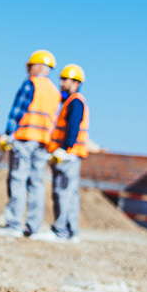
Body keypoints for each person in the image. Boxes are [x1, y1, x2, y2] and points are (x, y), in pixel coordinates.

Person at [0, 50, 62, 238]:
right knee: (36, 184)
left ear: (38, 66)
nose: (28, 70)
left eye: (30, 66)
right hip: (43, 143)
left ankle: (14, 224)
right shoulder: (55, 92)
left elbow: (18, 110)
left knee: (18, 179)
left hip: (24, 138)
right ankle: (33, 226)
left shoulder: (31, 84)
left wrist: (9, 133)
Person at [31, 64, 89, 243]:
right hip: (71, 155)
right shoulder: (70, 101)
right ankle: (71, 232)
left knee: (62, 193)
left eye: (65, 80)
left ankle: (60, 231)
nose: (62, 83)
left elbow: (73, 127)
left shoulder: (75, 101)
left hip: (68, 155)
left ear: (76, 83)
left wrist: (63, 149)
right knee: (69, 194)